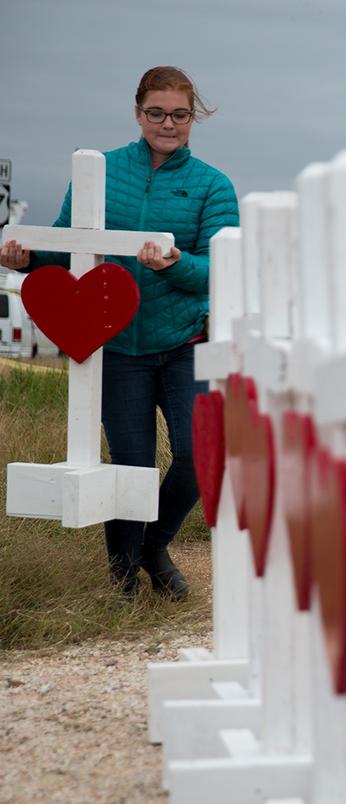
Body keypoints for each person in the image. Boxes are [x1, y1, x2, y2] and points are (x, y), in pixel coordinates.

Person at [0, 66, 239, 599]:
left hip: (183, 344)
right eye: (156, 112)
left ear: (192, 118)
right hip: (117, 348)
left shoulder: (211, 185)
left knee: (199, 454)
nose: (167, 123)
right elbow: (67, 245)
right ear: (138, 113)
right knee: (129, 467)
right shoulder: (100, 171)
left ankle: (155, 545)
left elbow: (222, 268)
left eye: (179, 114)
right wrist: (25, 257)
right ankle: (123, 582)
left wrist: (174, 263)